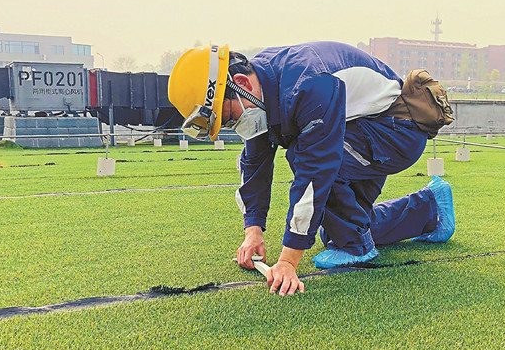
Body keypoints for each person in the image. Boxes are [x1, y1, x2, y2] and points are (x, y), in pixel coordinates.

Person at [168, 41, 455, 296]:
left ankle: (356, 247)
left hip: (397, 131)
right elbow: (254, 162)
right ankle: (430, 208)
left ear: (241, 83)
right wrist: (252, 231)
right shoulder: (261, 86)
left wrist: (288, 261)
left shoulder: (307, 84)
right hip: (365, 128)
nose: (233, 126)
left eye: (228, 118)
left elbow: (316, 169)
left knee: (303, 158)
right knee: (337, 231)